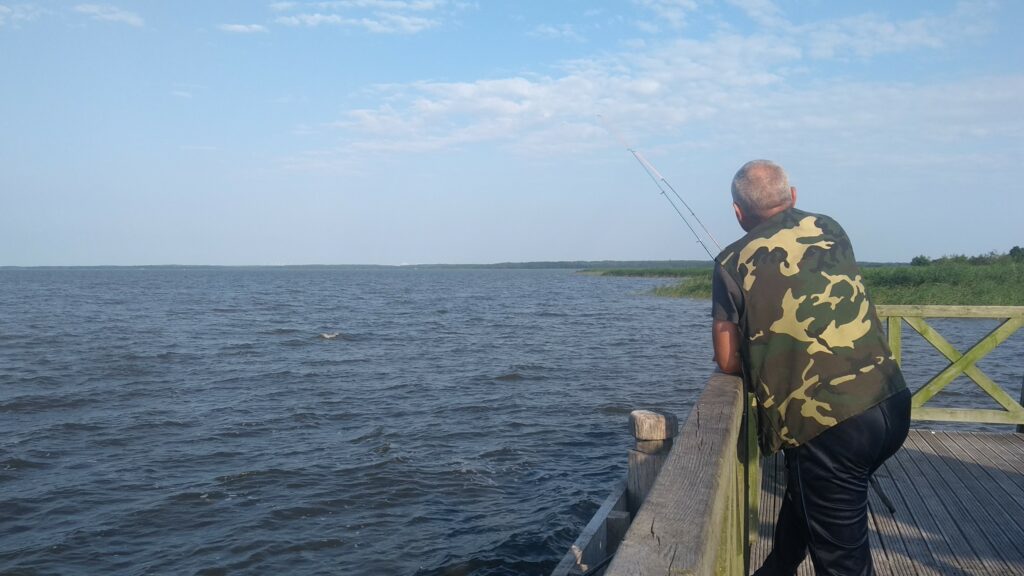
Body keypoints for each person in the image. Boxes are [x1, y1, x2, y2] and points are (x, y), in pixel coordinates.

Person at [711, 160, 911, 576]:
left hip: (830, 428)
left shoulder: (730, 261)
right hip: (891, 403)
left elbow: (728, 360)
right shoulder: (830, 227)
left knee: (843, 565)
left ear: (737, 212)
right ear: (794, 196)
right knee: (808, 496)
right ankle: (779, 565)